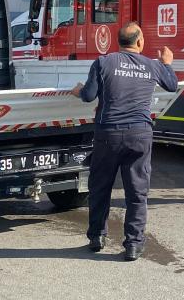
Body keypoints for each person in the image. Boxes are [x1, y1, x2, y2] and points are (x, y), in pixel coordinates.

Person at [71, 22, 178, 261]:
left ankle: (97, 236)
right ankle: (133, 244)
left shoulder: (104, 62)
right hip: (140, 135)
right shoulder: (153, 65)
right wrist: (167, 63)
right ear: (140, 42)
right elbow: (171, 85)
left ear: (117, 42)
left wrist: (77, 90)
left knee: (100, 187)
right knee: (137, 192)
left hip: (108, 134)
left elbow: (88, 96)